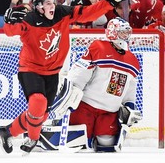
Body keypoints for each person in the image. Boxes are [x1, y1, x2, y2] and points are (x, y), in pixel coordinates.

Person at [0, 0, 127, 154]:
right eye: (48, 3)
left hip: (52, 72)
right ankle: (33, 138)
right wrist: (8, 19)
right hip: (30, 69)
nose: (53, 6)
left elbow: (87, 13)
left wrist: (108, 3)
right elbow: (9, 32)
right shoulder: (29, 18)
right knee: (38, 102)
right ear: (38, 7)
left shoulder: (61, 12)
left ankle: (7, 132)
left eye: (53, 2)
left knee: (41, 115)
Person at [38, 18, 143, 152]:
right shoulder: (99, 47)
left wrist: (129, 107)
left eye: (127, 32)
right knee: (75, 142)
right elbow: (80, 72)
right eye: (122, 32)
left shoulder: (133, 60)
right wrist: (70, 90)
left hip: (110, 112)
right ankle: (39, 137)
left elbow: (130, 89)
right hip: (87, 106)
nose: (126, 36)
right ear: (112, 32)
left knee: (106, 144)